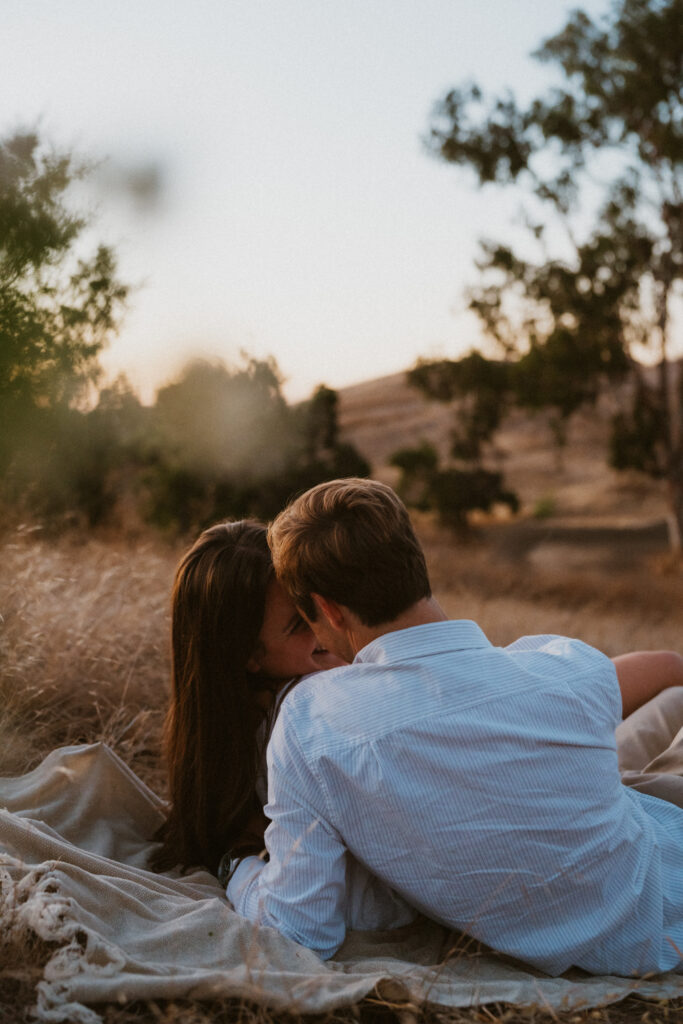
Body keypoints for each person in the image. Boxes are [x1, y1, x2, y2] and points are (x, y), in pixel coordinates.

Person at [226, 478, 683, 977]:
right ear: (413, 564)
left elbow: (300, 930)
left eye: (306, 618)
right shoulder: (561, 667)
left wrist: (239, 870)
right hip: (661, 873)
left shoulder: (311, 723)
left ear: (329, 609)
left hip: (633, 935)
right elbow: (665, 663)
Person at [151, 519, 416, 931]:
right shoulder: (292, 721)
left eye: (322, 603)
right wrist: (236, 865)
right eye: (299, 623)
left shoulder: (247, 730)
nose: (328, 622)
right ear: (248, 655)